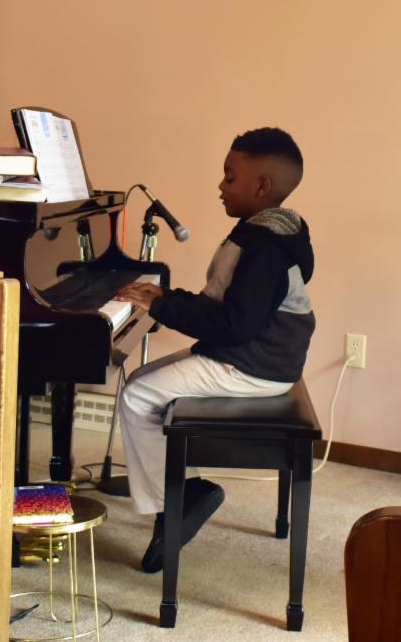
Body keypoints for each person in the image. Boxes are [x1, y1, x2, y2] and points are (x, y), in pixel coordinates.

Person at [113, 127, 315, 572]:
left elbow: (234, 325)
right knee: (143, 381)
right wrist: (168, 298)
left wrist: (163, 306)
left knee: (137, 395)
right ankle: (181, 491)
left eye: (229, 176)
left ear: (261, 187)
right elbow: (224, 304)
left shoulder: (265, 249)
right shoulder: (272, 228)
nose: (220, 186)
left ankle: (175, 506)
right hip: (256, 355)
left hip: (254, 364)